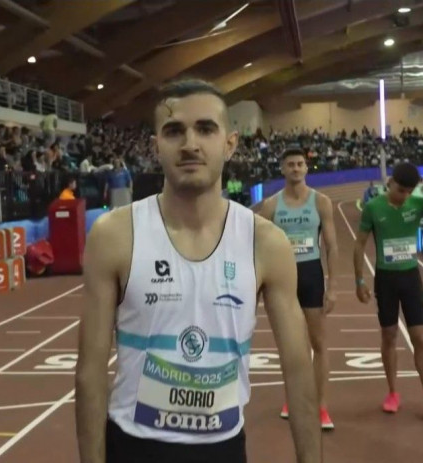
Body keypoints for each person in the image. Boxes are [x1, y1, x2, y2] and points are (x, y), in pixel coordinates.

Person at [75, 79, 321, 463]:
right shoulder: (114, 235)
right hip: (133, 447)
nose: (190, 143)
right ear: (156, 147)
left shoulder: (266, 243)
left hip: (222, 449)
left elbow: (297, 366)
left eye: (205, 129)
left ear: (230, 143)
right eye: (174, 131)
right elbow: (90, 374)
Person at [352, 162, 423, 424]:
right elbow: (359, 245)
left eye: (409, 191)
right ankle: (392, 393)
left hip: (411, 278)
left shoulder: (418, 204)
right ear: (390, 182)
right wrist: (359, 281)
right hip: (386, 280)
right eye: (400, 190)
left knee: (420, 339)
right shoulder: (373, 207)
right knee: (389, 336)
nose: (404, 196)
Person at [258, 145, 339, 430]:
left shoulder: (321, 202)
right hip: (282, 279)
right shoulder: (270, 206)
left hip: (311, 275)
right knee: (291, 346)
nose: (295, 168)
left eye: (300, 164)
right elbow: (259, 248)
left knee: (318, 342)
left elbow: (331, 245)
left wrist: (332, 287)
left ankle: (321, 406)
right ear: (282, 169)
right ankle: (292, 399)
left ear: (306, 168)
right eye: (290, 164)